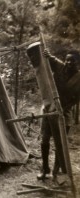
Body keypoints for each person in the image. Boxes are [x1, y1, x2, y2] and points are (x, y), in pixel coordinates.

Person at [37, 49, 80, 180]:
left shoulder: (79, 78)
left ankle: (56, 171)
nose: (68, 63)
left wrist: (63, 108)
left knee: (60, 143)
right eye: (67, 60)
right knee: (44, 139)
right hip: (49, 108)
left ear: (78, 62)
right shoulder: (60, 67)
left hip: (64, 112)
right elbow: (50, 58)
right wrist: (47, 53)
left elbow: (77, 99)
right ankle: (45, 169)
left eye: (72, 61)